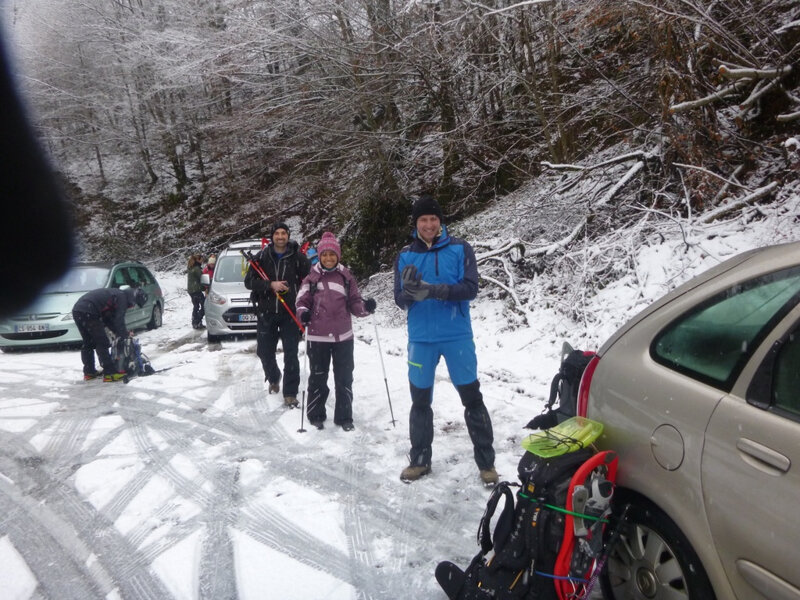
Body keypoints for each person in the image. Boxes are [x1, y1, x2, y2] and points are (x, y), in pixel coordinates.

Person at [393, 194, 498, 484]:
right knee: (420, 402)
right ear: (416, 224)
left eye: (433, 219)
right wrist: (411, 295)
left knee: (472, 398)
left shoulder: (460, 248)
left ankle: (486, 463)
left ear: (440, 221)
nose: (428, 224)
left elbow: (471, 288)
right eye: (423, 219)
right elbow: (398, 298)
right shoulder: (405, 255)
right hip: (421, 339)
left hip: (456, 336)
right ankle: (419, 460)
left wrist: (439, 290)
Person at [295, 232, 377, 431]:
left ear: (338, 255)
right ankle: (315, 414)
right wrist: (303, 314)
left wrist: (366, 307)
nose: (328, 258)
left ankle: (344, 416)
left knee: (344, 378)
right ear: (320, 256)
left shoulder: (346, 277)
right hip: (317, 336)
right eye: (325, 255)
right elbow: (301, 302)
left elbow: (355, 303)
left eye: (332, 254)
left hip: (343, 337)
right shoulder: (311, 278)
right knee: (318, 377)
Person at [244, 222, 311, 407]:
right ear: (272, 236)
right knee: (264, 351)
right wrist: (270, 285)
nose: (280, 237)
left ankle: (290, 392)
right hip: (267, 312)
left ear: (288, 236)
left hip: (290, 312)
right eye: (277, 233)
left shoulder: (298, 258)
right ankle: (274, 376)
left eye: (283, 233)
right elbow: (249, 282)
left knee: (291, 354)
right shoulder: (262, 257)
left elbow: (309, 282)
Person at [72, 286, 147, 382]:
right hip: (89, 311)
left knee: (88, 342)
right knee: (102, 342)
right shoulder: (122, 297)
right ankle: (110, 373)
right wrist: (124, 336)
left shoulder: (116, 294)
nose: (133, 306)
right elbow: (119, 319)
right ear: (134, 298)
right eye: (135, 303)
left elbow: (107, 318)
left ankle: (89, 372)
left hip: (78, 310)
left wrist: (118, 332)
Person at [187, 253, 205, 329]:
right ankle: (197, 320)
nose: (202, 261)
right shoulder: (197, 269)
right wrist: (205, 287)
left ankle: (196, 322)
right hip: (196, 290)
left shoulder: (191, 267)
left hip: (191, 290)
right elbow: (202, 279)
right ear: (198, 260)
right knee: (204, 306)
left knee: (196, 306)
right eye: (202, 260)